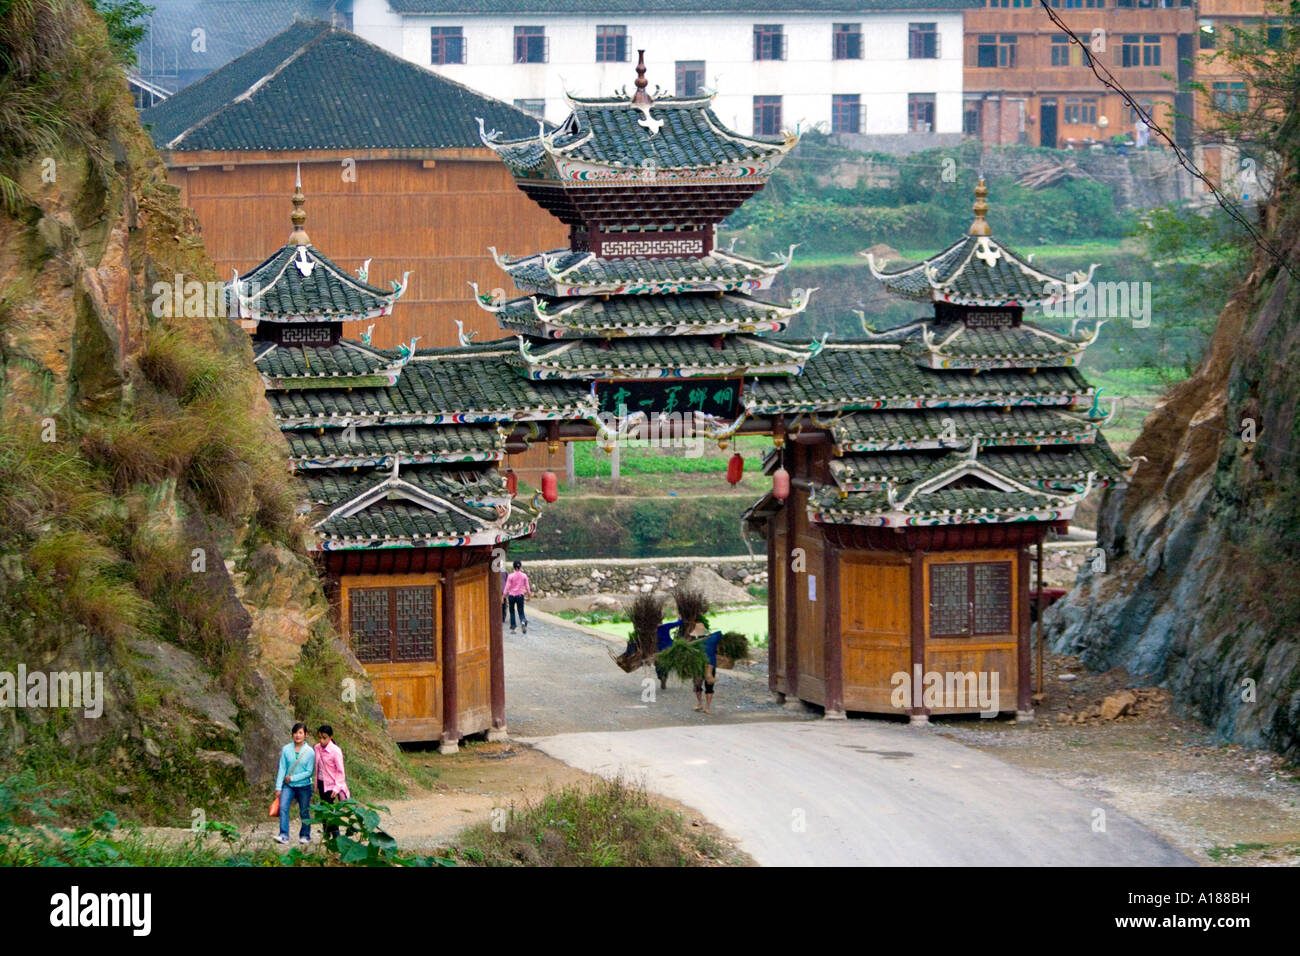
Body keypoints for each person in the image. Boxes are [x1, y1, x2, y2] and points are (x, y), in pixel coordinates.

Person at [275, 723, 316, 845]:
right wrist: (278, 787)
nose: (297, 735)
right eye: (295, 733)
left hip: (304, 786)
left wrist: (292, 778)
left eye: (300, 733)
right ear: (292, 734)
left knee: (304, 811)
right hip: (288, 786)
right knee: (283, 807)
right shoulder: (286, 749)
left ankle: (305, 835)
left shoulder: (310, 752)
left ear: (305, 735)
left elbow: (309, 772)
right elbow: (282, 768)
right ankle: (283, 835)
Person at [314, 724, 350, 841]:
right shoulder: (317, 748)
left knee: (330, 810)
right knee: (323, 807)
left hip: (331, 785)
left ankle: (336, 836)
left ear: (330, 737)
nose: (322, 740)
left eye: (324, 738)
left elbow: (340, 772)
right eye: (320, 737)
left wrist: (336, 788)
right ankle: (326, 833)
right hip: (321, 782)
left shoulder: (335, 751)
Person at [690, 622, 724, 714]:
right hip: (710, 665)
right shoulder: (713, 638)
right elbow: (720, 633)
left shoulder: (695, 643)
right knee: (709, 686)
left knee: (697, 685)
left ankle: (700, 704)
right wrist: (709, 634)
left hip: (698, 665)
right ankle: (708, 708)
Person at [654, 618, 683, 689]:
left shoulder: (651, 631)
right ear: (661, 622)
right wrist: (680, 618)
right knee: (666, 664)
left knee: (658, 665)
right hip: (670, 648)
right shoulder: (665, 626)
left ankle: (661, 677)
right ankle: (664, 677)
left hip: (659, 650)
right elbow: (678, 623)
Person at [505, 560, 531, 633]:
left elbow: (507, 587)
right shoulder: (524, 576)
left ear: (513, 566)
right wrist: (529, 595)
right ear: (520, 566)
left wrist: (503, 595)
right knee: (521, 610)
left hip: (511, 596)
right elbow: (527, 586)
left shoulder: (510, 576)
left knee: (512, 611)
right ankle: (523, 621)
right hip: (520, 595)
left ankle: (513, 628)